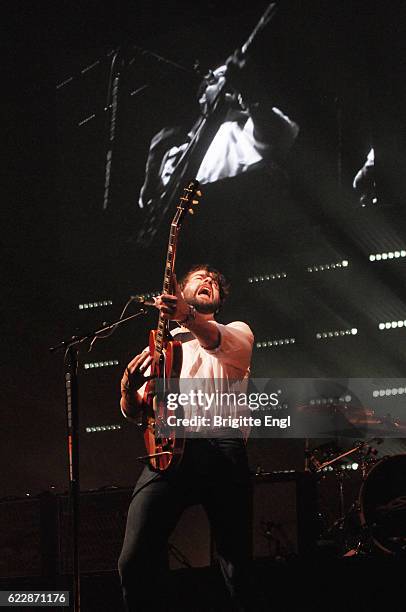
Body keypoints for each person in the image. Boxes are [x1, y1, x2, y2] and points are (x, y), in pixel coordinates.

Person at [118, 264, 255, 611]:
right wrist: (127, 395)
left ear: (219, 302)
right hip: (169, 452)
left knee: (235, 563)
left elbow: (214, 339)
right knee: (133, 561)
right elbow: (141, 411)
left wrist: (187, 314)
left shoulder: (234, 331)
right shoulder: (161, 348)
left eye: (214, 282)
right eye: (200, 277)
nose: (208, 280)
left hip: (221, 446)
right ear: (179, 290)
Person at [136, 52, 299, 246]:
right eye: (219, 79)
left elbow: (273, 132)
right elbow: (150, 204)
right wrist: (152, 166)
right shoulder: (175, 151)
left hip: (215, 244)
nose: (228, 84)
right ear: (203, 97)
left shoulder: (240, 131)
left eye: (231, 80)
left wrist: (250, 92)